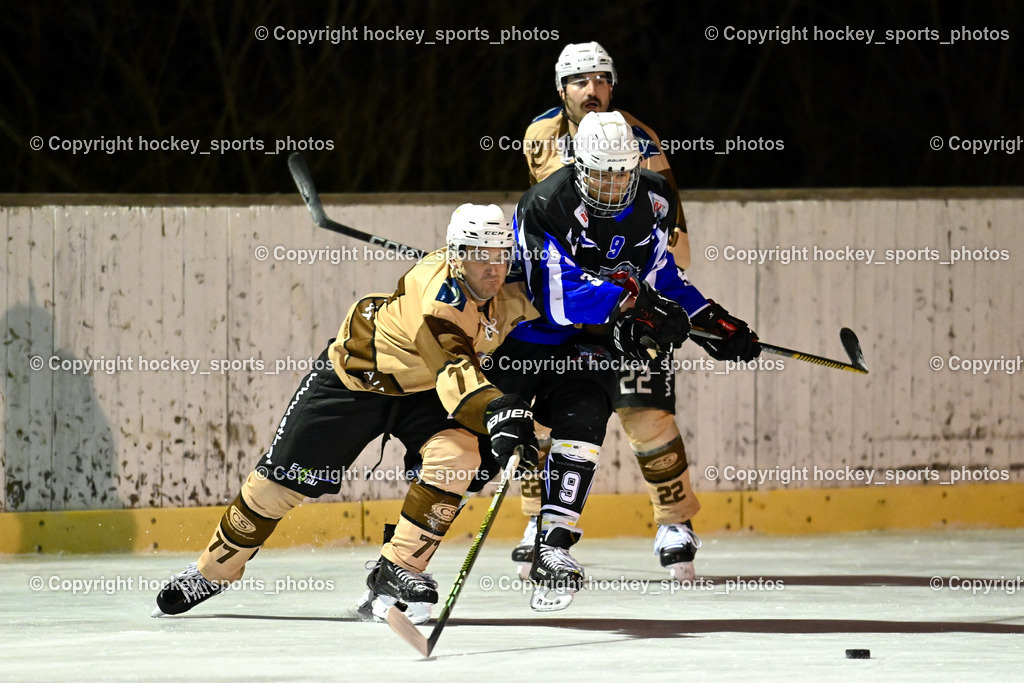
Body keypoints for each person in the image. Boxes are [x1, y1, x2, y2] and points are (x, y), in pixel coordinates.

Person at [152, 204, 540, 625]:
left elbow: (572, 305)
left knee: (459, 458)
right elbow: (454, 372)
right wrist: (497, 412)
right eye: (479, 256)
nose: (493, 268)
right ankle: (212, 572)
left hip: (424, 392)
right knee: (277, 486)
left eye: (500, 255)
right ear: (454, 254)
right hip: (357, 380)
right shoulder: (439, 300)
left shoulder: (512, 285)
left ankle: (399, 569)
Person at [492, 111, 758, 610]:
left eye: (623, 173)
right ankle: (531, 525)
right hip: (551, 335)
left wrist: (709, 320)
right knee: (542, 428)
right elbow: (555, 295)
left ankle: (664, 522)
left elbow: (662, 274)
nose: (614, 185)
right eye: (601, 174)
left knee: (645, 416)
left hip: (624, 333)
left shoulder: (654, 196)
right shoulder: (544, 204)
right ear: (578, 164)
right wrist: (634, 306)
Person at [512, 42, 709, 583]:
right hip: (570, 299)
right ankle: (540, 523)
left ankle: (675, 522)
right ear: (561, 90)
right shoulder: (539, 137)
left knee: (645, 411)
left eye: (601, 79)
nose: (592, 89)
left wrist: (643, 290)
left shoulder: (639, 142)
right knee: (546, 413)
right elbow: (541, 216)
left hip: (629, 293)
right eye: (580, 81)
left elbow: (673, 241)